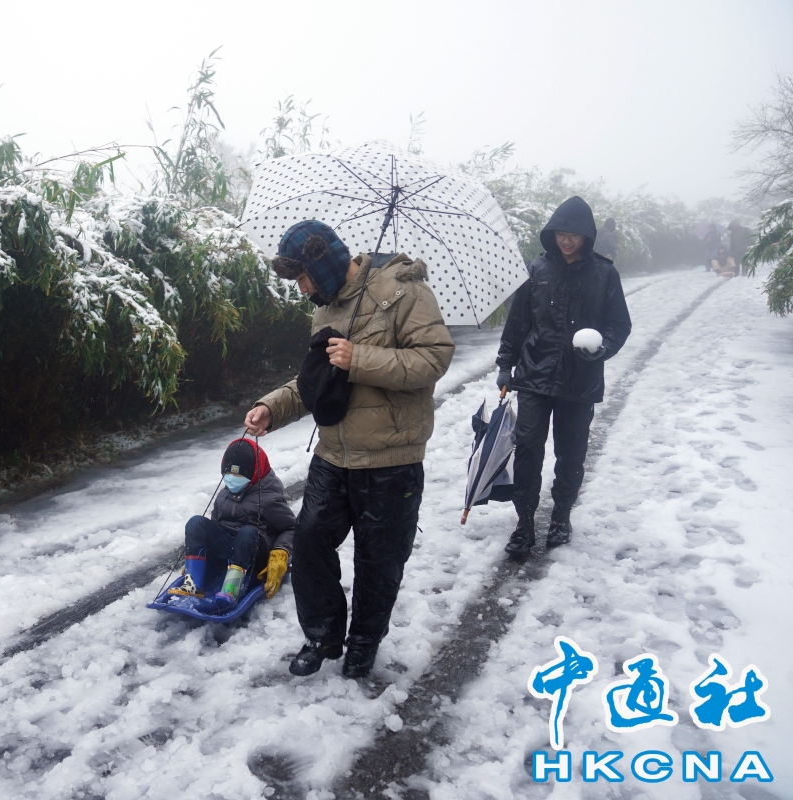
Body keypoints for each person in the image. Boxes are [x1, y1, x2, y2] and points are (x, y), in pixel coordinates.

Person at [243, 220, 455, 678]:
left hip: (391, 458)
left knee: (379, 561)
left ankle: (363, 643)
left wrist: (360, 358)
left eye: (303, 277)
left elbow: (434, 358)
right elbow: (315, 379)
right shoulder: (325, 310)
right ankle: (322, 636)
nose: (302, 289)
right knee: (309, 543)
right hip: (333, 454)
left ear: (324, 263)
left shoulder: (404, 291)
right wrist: (271, 407)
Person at [496, 196, 632, 557]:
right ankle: (524, 522)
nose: (566, 240)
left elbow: (619, 324)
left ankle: (561, 515)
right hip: (534, 376)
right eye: (560, 233)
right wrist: (505, 365)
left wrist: (603, 348)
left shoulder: (604, 274)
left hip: (580, 380)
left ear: (587, 235)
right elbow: (517, 323)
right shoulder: (536, 270)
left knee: (571, 453)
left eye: (573, 234)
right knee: (527, 450)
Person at [168, 438, 295, 614]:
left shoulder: (268, 499)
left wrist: (281, 551)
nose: (232, 479)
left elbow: (291, 528)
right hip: (228, 551)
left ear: (253, 473)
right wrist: (198, 555)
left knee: (247, 533)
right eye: (228, 473)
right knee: (196, 523)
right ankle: (193, 582)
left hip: (254, 555)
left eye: (239, 475)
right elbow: (215, 526)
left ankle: (232, 589)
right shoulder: (223, 494)